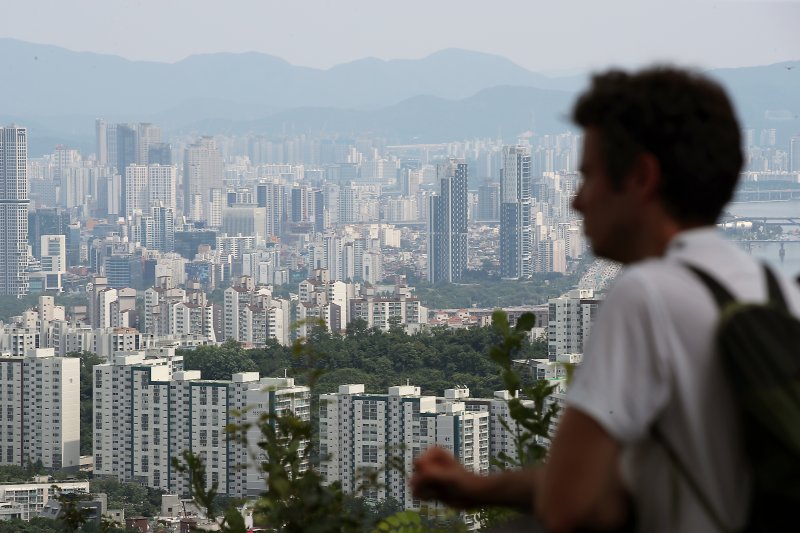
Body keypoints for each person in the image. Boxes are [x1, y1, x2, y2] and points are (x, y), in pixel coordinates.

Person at [410, 66, 800, 532]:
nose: (577, 201)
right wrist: (478, 489)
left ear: (640, 177)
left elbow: (569, 506)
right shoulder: (777, 290)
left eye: (589, 176)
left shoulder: (647, 295)